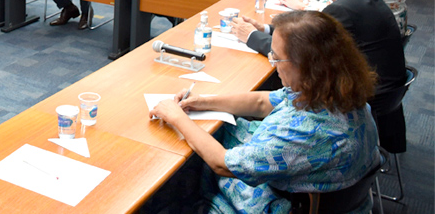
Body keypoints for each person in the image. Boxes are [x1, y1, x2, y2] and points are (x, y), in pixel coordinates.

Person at [149, 11, 380, 214]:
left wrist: (177, 117)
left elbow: (222, 164)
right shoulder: (335, 90)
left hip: (277, 203)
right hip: (323, 196)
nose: (273, 64)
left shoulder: (304, 132)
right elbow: (262, 102)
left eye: (277, 57)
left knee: (178, 171)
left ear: (307, 65)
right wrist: (204, 101)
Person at [233, 0, 406, 100]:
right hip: (384, 93)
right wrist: (265, 28)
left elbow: (296, 53)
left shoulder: (342, 11)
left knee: (272, 82)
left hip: (364, 99)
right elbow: (309, 33)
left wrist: (251, 36)